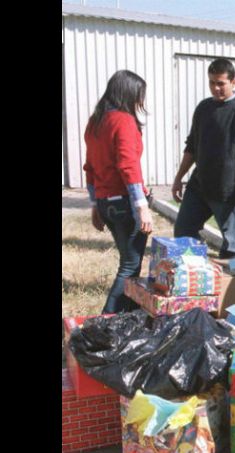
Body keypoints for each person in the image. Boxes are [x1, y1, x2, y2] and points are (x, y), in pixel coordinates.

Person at [171, 58, 235, 261]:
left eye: (221, 83)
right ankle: (197, 276)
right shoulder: (203, 109)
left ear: (233, 82)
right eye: (212, 83)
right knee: (183, 233)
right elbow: (191, 147)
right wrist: (179, 177)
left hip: (229, 192)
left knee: (234, 248)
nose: (216, 88)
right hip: (199, 187)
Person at [84, 70, 154, 314]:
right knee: (129, 266)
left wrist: (95, 204)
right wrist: (142, 206)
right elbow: (128, 165)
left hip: (107, 202)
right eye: (139, 95)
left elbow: (90, 167)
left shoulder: (96, 121)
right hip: (125, 202)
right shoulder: (123, 121)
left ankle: (128, 318)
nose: (140, 101)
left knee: (128, 263)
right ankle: (106, 321)